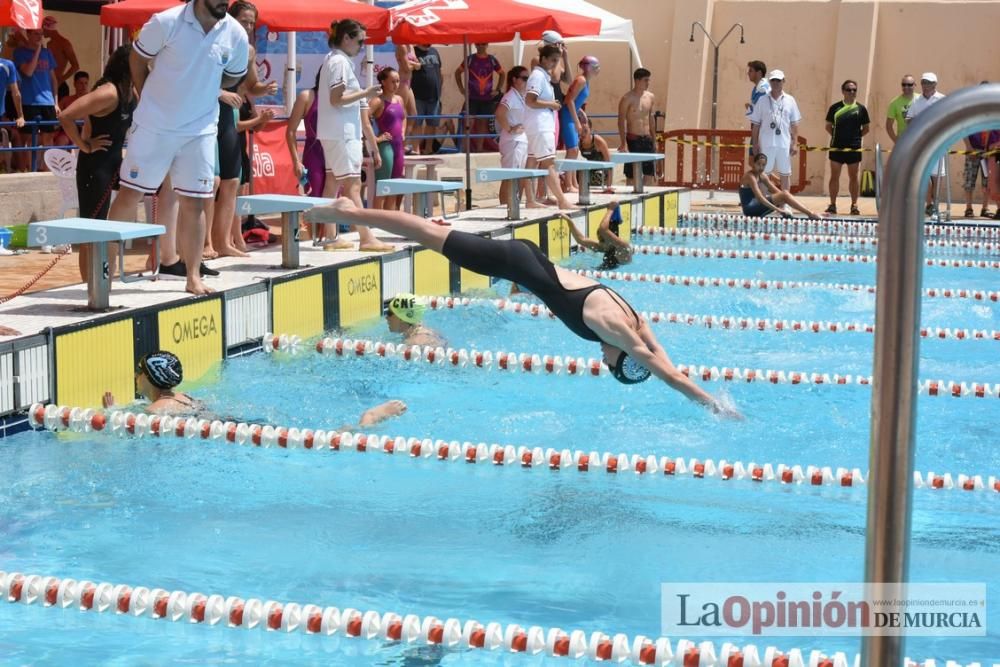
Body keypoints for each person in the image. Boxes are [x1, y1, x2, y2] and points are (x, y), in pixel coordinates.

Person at [306, 199, 742, 418]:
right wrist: (712, 405)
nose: (602, 360)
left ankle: (359, 212)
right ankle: (351, 212)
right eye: (611, 364)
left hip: (530, 261)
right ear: (618, 354)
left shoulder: (632, 321)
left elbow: (659, 355)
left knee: (432, 234)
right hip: (515, 262)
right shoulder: (613, 329)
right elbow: (662, 369)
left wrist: (695, 385)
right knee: (424, 233)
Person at [105, 0, 249, 295]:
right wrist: (146, 94)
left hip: (200, 130)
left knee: (194, 202)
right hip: (154, 126)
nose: (225, 1)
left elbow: (235, 73)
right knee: (130, 193)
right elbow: (137, 59)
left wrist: (207, 85)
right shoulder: (165, 22)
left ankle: (192, 276)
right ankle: (106, 270)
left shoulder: (235, 34)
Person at [103, 350, 408, 427]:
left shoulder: (156, 409)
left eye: (138, 373)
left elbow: (126, 431)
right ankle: (363, 421)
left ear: (149, 378)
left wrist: (113, 414)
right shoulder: (185, 398)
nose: (135, 377)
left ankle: (367, 420)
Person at [207, 0, 278, 260]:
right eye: (244, 20)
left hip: (231, 111)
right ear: (230, 17)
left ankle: (223, 240)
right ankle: (207, 243)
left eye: (251, 22)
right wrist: (221, 93)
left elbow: (250, 85)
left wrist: (265, 88)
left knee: (233, 181)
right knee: (211, 182)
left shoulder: (248, 50)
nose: (248, 26)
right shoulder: (217, 39)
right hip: (210, 108)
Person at [59, 45, 136, 282]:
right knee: (92, 228)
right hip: (96, 165)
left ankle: (103, 276)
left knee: (111, 220)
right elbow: (65, 115)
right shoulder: (109, 92)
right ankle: (89, 284)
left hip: (113, 161)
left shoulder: (130, 92)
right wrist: (85, 145)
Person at [316, 19, 392, 252]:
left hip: (334, 132)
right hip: (342, 133)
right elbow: (336, 98)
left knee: (332, 182)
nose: (361, 46)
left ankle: (330, 237)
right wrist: (366, 92)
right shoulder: (339, 61)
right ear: (346, 38)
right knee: (353, 185)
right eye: (359, 41)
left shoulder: (333, 60)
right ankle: (366, 237)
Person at [524, 44, 573, 210]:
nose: (554, 64)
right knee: (549, 163)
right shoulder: (537, 76)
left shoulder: (543, 76)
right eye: (552, 60)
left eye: (556, 61)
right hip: (540, 126)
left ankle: (530, 200)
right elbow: (530, 100)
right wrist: (551, 104)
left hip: (538, 125)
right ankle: (562, 201)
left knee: (531, 161)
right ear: (543, 59)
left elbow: (564, 78)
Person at [13, 29, 59, 169]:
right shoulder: (20, 52)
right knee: (26, 138)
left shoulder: (48, 53)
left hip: (47, 101)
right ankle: (25, 169)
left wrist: (56, 102)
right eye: (36, 34)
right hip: (29, 100)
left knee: (48, 137)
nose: (40, 37)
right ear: (29, 34)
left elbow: (53, 79)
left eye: (41, 34)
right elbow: (28, 71)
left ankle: (46, 169)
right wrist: (38, 50)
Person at [749, 69, 801, 193]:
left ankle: (785, 204)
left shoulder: (790, 100)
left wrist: (795, 143)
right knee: (764, 174)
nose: (776, 83)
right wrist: (755, 144)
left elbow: (794, 124)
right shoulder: (762, 100)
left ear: (783, 81)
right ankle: (764, 202)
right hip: (766, 143)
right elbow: (755, 125)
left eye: (779, 80)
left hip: (784, 143)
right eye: (773, 80)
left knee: (785, 174)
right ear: (770, 82)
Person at [824, 79, 870, 216]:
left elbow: (866, 128)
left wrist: (855, 138)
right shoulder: (835, 108)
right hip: (837, 148)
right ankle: (832, 205)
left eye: (854, 90)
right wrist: (837, 137)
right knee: (834, 176)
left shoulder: (861, 109)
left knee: (853, 177)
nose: (852, 92)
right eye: (849, 89)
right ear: (843, 91)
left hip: (854, 148)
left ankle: (854, 205)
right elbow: (828, 126)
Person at [103, 351, 199, 415]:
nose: (135, 375)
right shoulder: (186, 398)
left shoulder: (153, 410)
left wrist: (111, 414)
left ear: (151, 377)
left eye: (139, 371)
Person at [905, 73, 946, 217]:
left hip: (938, 142)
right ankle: (929, 204)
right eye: (923, 82)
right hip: (922, 143)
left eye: (929, 83)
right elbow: (909, 119)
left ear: (935, 84)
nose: (926, 85)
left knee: (937, 176)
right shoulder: (917, 101)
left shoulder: (942, 99)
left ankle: (935, 204)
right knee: (925, 175)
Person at [560, 55, 599, 193]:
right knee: (572, 150)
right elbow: (568, 100)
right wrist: (577, 121)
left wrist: (581, 113)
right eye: (596, 68)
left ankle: (574, 183)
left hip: (572, 115)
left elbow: (575, 102)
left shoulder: (585, 81)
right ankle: (568, 184)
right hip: (568, 117)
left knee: (575, 150)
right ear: (590, 68)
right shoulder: (581, 80)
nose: (598, 70)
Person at [454, 43, 503, 153]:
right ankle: (464, 150)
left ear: (487, 45)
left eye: (484, 44)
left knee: (482, 123)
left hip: (486, 99)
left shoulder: (492, 60)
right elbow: (457, 73)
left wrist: (497, 90)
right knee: (468, 123)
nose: (481, 46)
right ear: (475, 45)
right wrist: (462, 89)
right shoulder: (470, 59)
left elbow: (502, 73)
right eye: (479, 44)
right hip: (472, 98)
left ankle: (479, 149)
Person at [740, 152, 820, 219]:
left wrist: (787, 200)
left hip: (756, 206)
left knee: (785, 194)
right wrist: (779, 209)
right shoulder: (750, 177)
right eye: (758, 164)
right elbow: (760, 198)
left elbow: (776, 191)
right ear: (753, 164)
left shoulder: (762, 175)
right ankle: (810, 214)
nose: (761, 167)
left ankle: (806, 212)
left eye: (763, 165)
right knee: (784, 195)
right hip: (750, 209)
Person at [369, 66, 406, 210]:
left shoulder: (399, 100)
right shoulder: (378, 101)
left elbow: (403, 117)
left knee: (395, 186)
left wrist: (403, 131)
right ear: (383, 82)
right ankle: (376, 221)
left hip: (399, 146)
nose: (396, 84)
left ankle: (390, 220)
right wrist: (376, 139)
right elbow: (362, 119)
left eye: (397, 81)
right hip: (386, 147)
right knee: (383, 186)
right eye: (393, 81)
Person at [286, 70, 325, 198]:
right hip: (314, 154)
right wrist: (296, 161)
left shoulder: (339, 99)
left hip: (335, 154)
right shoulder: (307, 96)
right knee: (315, 197)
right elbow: (291, 131)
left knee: (335, 202)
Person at [560, 204, 633, 270]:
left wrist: (611, 209)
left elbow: (603, 229)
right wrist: (569, 222)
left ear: (611, 239)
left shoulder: (623, 247)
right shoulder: (603, 246)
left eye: (602, 240)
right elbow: (580, 239)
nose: (600, 243)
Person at [617, 67, 657, 187]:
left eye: (648, 80)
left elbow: (650, 119)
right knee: (632, 174)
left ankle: (647, 200)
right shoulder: (627, 98)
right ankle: (630, 199)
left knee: (649, 173)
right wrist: (623, 143)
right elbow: (620, 121)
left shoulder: (650, 97)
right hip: (633, 139)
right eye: (645, 80)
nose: (648, 83)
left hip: (647, 139)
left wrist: (654, 139)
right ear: (637, 81)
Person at [496, 65, 529, 208]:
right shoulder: (510, 95)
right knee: (510, 176)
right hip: (512, 141)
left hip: (521, 140)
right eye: (524, 78)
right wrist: (510, 129)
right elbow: (499, 113)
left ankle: (515, 205)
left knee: (520, 176)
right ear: (515, 79)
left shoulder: (521, 96)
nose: (527, 81)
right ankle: (505, 206)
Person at [961, 121, 999, 218]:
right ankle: (968, 208)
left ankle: (985, 209)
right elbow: (964, 131)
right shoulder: (972, 115)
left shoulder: (990, 117)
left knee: (987, 181)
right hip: (972, 151)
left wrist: (988, 150)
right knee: (969, 180)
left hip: (987, 152)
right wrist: (969, 147)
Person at [410, 44, 442, 155]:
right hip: (418, 95)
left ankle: (429, 149)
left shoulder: (434, 51)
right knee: (417, 123)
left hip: (434, 95)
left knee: (432, 123)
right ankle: (416, 149)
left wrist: (439, 89)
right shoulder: (413, 51)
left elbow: (439, 71)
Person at [41, 16, 80, 100]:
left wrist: (61, 80)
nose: (41, 32)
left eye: (42, 28)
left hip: (60, 85)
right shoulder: (49, 44)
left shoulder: (64, 43)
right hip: (49, 83)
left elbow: (76, 66)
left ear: (46, 27)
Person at [577, 110, 612, 189]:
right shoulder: (577, 142)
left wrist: (609, 186)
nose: (583, 134)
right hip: (585, 171)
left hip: (599, 172)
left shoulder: (598, 142)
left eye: (585, 131)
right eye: (580, 131)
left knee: (597, 176)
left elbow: (609, 163)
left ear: (590, 130)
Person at [745, 60, 768, 159]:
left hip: (762, 130)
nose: (748, 73)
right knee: (753, 162)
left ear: (759, 73)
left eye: (751, 71)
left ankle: (784, 175)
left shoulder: (763, 88)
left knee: (758, 163)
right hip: (757, 129)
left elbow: (764, 111)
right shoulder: (757, 88)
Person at [885, 74, 916, 145]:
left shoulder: (921, 99)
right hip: (904, 143)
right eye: (903, 84)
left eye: (909, 85)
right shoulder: (894, 103)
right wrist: (896, 141)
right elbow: (888, 126)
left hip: (920, 141)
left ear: (914, 85)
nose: (906, 87)